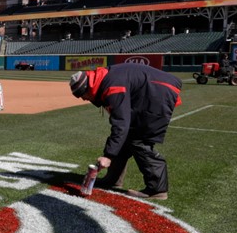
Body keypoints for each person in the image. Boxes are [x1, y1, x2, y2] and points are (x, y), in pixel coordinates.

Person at [69, 64, 183, 200]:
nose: (84, 99)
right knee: (127, 136)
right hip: (154, 89)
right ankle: (113, 179)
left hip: (159, 91)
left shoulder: (112, 86)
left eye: (83, 95)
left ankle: (157, 189)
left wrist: (108, 155)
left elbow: (121, 123)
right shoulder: (104, 79)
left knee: (139, 140)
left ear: (88, 88)